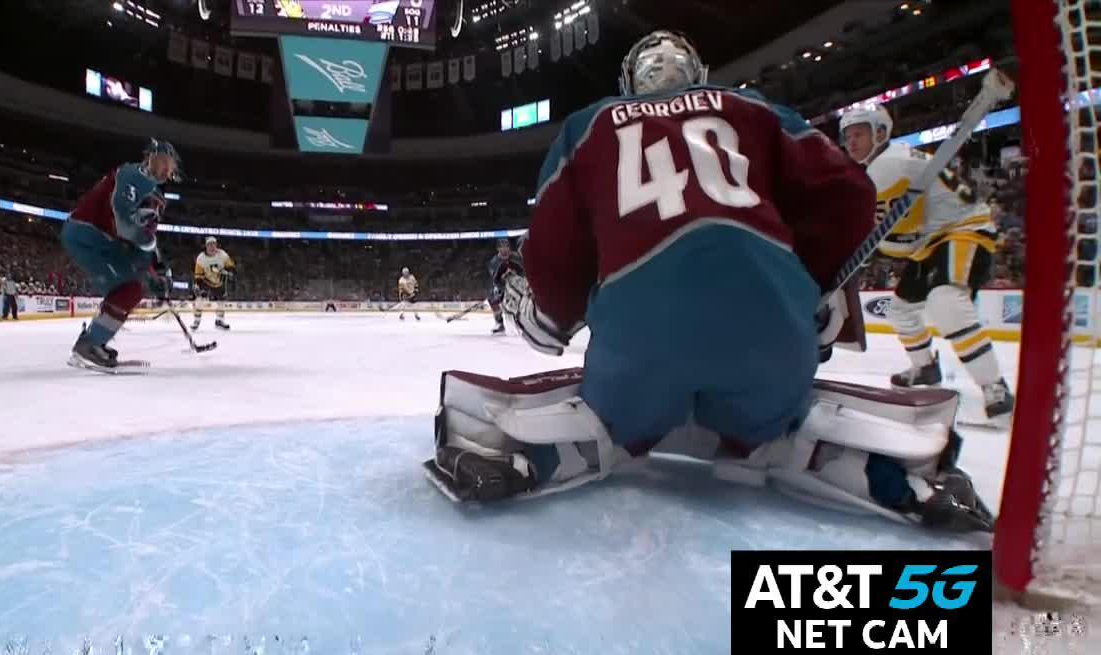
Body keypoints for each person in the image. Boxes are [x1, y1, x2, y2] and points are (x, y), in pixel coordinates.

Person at [423, 30, 993, 532]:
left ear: (629, 82)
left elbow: (552, 252)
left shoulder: (589, 125)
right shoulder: (753, 108)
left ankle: (525, 454)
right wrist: (810, 290)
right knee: (776, 422)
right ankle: (892, 473)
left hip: (643, 345)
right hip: (771, 345)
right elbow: (849, 194)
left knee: (611, 419)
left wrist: (551, 319)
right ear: (699, 76)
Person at [840, 106, 1014, 423]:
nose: (851, 143)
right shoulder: (886, 161)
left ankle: (995, 387)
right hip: (930, 240)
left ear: (880, 132)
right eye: (847, 136)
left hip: (963, 230)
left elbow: (897, 237)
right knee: (901, 311)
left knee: (946, 302)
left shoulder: (887, 167)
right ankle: (925, 367)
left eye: (859, 134)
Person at [60, 138, 180, 370]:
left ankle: (94, 342)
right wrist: (151, 262)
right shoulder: (135, 176)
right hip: (88, 235)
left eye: (171, 165)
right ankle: (89, 346)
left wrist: (158, 271)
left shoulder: (150, 190)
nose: (167, 169)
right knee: (127, 289)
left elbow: (140, 242)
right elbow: (126, 226)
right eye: (163, 161)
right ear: (150, 158)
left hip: (103, 240)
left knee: (131, 290)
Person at [192, 235, 235, 331]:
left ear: (216, 245)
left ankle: (219, 321)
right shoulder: (201, 258)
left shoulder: (222, 254)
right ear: (206, 246)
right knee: (199, 300)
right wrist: (197, 284)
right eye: (209, 245)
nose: (212, 247)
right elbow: (198, 273)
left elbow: (230, 265)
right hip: (206, 281)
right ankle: (196, 321)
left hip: (219, 281)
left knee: (222, 301)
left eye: (213, 244)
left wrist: (230, 272)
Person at [487, 237, 525, 335]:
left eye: (506, 247)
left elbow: (524, 272)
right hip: (503, 285)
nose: (505, 249)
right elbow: (495, 279)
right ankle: (499, 322)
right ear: (498, 249)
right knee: (492, 297)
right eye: (502, 247)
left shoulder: (516, 257)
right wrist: (501, 286)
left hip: (518, 284)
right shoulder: (494, 262)